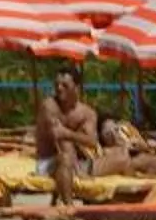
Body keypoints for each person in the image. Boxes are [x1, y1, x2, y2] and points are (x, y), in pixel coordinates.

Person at [34, 72, 104, 202]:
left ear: (76, 87)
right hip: (50, 161)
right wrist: (74, 137)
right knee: (65, 155)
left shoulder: (87, 113)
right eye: (57, 85)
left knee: (122, 157)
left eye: (65, 85)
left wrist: (69, 133)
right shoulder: (49, 106)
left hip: (79, 163)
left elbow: (92, 142)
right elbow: (58, 137)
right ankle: (69, 208)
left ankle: (131, 209)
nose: (59, 88)